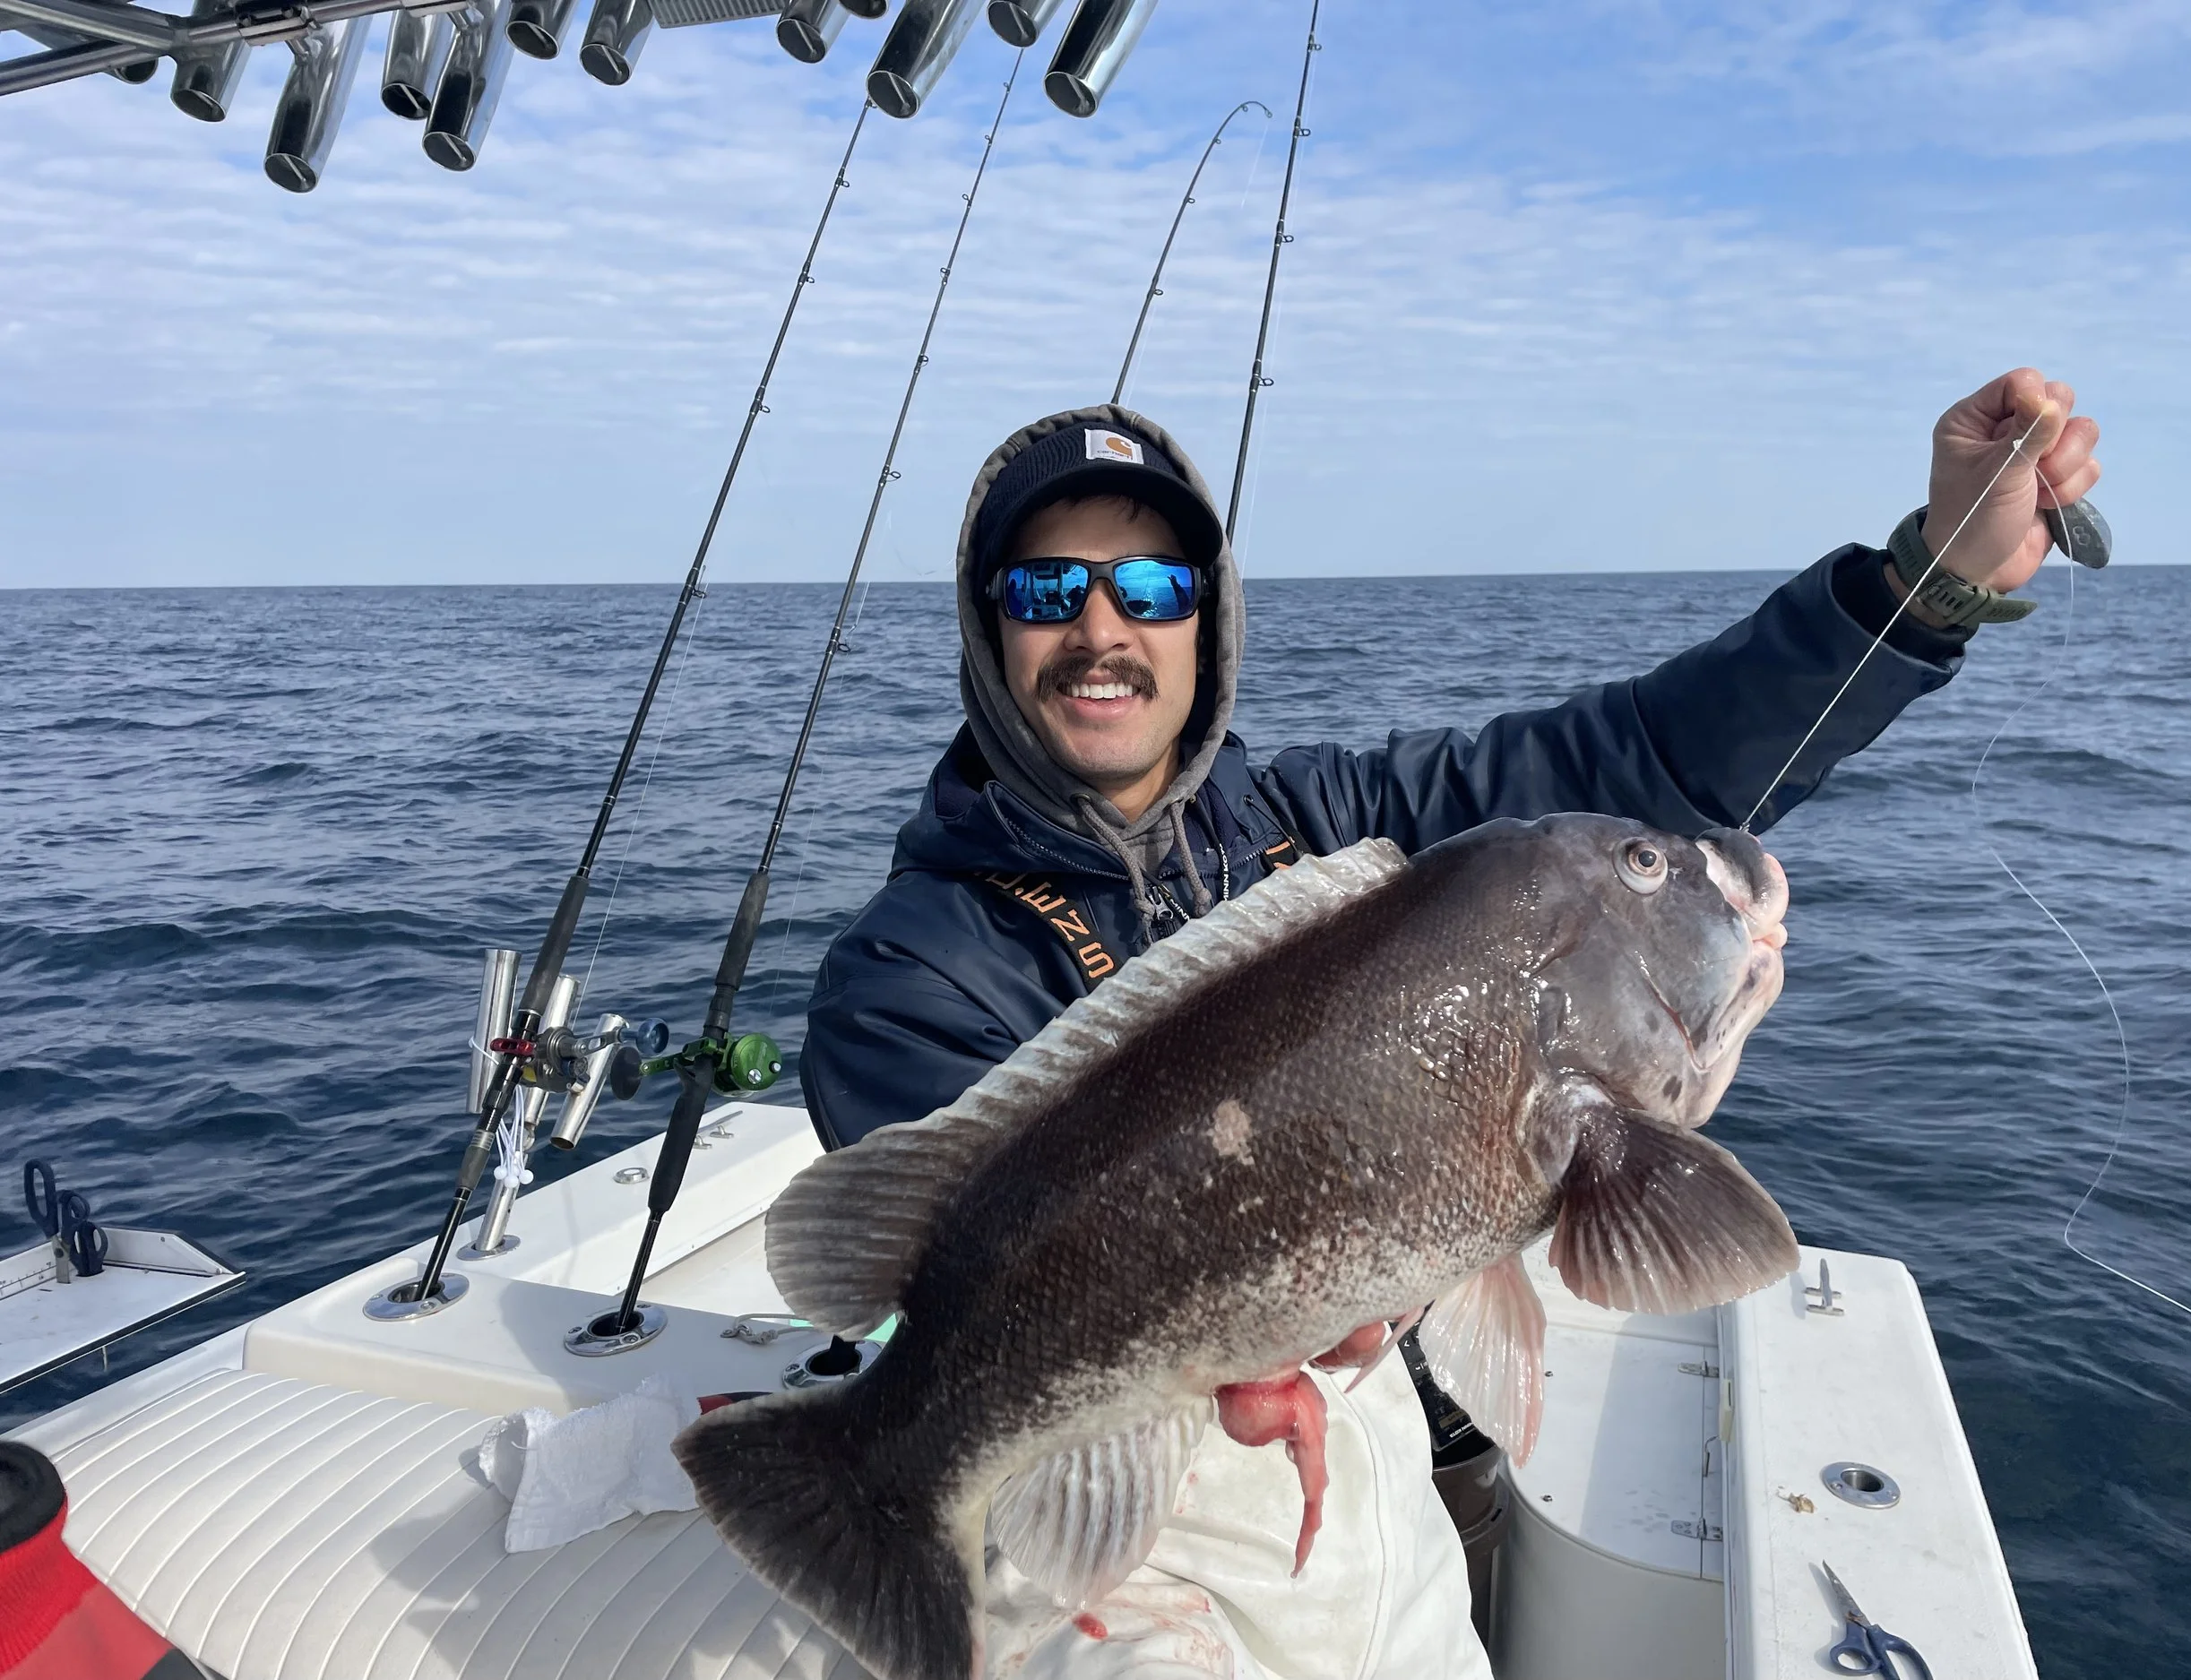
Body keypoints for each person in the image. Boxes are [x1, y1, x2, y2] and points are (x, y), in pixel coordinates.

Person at [796, 370, 2100, 1676]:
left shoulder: (1335, 823)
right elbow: (959, 1278)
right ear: (987, 626)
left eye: (1150, 589)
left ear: (1206, 623)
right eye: (1045, 590)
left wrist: (1928, 578)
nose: (1100, 629)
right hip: (1104, 1544)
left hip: (1393, 1480)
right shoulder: (909, 968)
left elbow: (1631, 759)